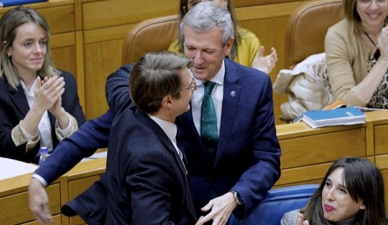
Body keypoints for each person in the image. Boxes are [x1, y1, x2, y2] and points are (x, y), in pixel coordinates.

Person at [29, 2, 281, 224]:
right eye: (190, 48)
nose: (197, 60)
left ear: (228, 46)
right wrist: (42, 176)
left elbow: (267, 159)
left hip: (231, 211)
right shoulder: (165, 80)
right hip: (168, 210)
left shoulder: (255, 86)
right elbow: (96, 131)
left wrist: (235, 197)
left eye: (208, 51)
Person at [103, 51, 197, 224]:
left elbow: (117, 79)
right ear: (168, 101)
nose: (194, 89)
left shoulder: (129, 110)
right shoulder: (151, 159)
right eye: (190, 86)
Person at [0, 6, 85, 163]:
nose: (39, 50)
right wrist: (38, 109)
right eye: (28, 44)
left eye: (43, 42)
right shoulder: (1, 90)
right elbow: (5, 149)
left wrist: (59, 113)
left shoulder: (63, 81)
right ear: (8, 48)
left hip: (61, 172)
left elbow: (85, 141)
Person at [168, 0, 278, 75]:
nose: (204, 8)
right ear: (186, 10)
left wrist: (255, 77)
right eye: (196, 3)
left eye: (210, 0)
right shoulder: (175, 51)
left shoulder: (249, 42)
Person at [325, 0, 388, 108]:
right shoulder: (338, 36)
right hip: (364, 121)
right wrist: (384, 59)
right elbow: (343, 105)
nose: (374, 7)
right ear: (353, 3)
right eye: (365, 0)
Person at [280, 157, 388, 225]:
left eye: (342, 190)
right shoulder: (294, 221)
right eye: (328, 184)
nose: (329, 196)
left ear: (364, 202)